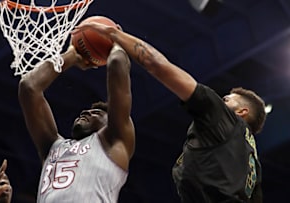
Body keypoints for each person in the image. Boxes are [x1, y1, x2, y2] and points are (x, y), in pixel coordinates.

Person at [74, 23, 267, 202]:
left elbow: (156, 64)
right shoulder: (252, 163)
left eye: (226, 100)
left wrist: (115, 35)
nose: (221, 101)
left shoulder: (224, 117)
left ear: (242, 112)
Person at [18, 43, 135, 202]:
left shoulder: (114, 141)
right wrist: (72, 55)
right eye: (86, 111)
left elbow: (116, 64)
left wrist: (113, 42)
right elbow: (29, 87)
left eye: (96, 113)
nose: (85, 112)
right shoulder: (53, 147)